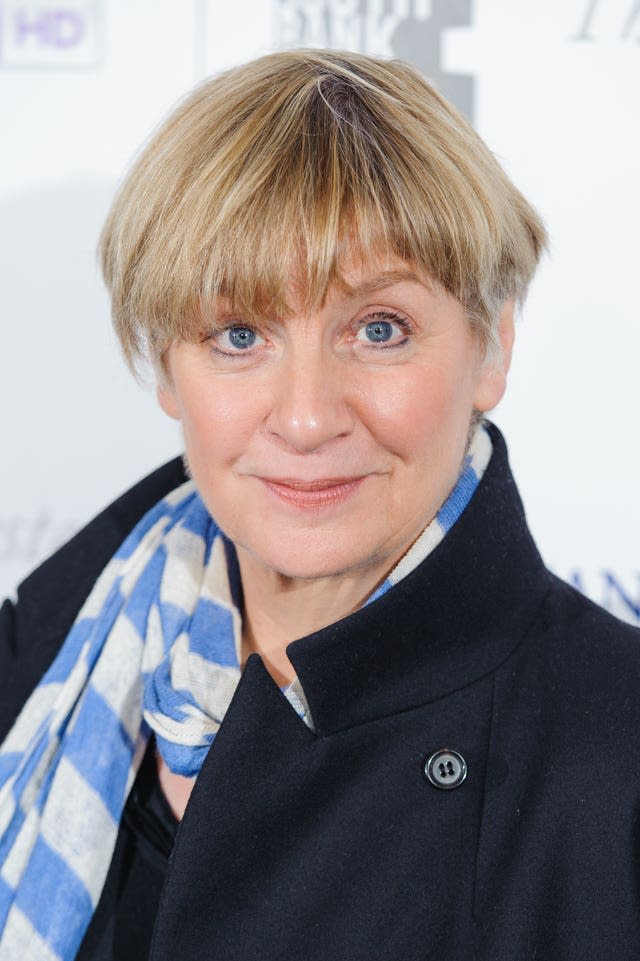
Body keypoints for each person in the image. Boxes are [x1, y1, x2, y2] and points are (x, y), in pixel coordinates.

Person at [0, 48, 639, 961]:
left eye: (379, 330)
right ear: (165, 368)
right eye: (239, 333)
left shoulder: (617, 752)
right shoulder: (45, 667)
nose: (304, 416)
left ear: (491, 347)